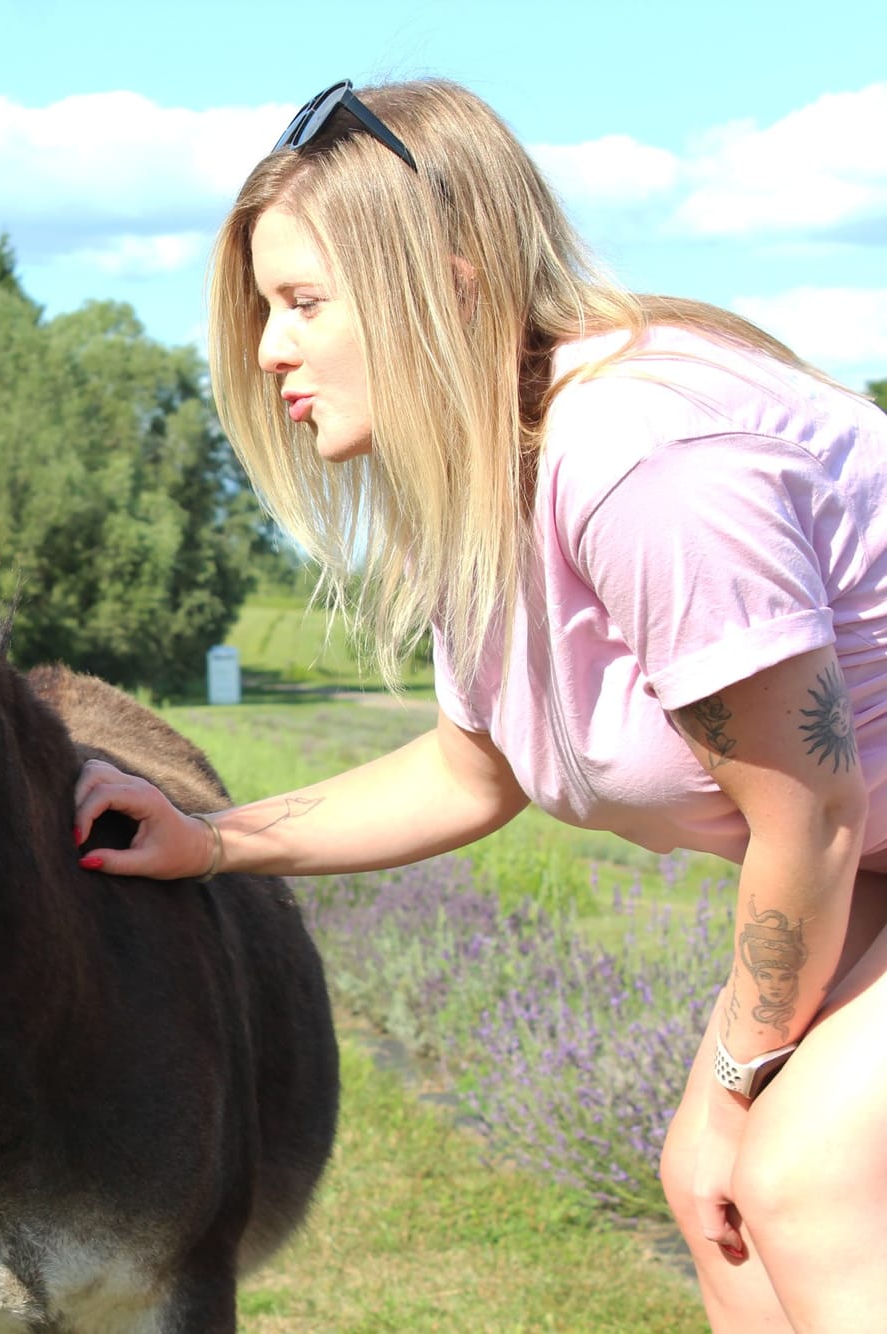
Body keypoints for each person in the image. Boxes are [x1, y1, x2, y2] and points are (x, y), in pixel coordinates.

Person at [73, 78, 887, 1331]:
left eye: (299, 303)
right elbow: (469, 772)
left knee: (792, 1179)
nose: (265, 349)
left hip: (839, 845)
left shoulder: (635, 461)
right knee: (716, 1205)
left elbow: (810, 817)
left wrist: (723, 1094)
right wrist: (215, 839)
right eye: (259, 309)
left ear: (441, 284)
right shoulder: (488, 481)